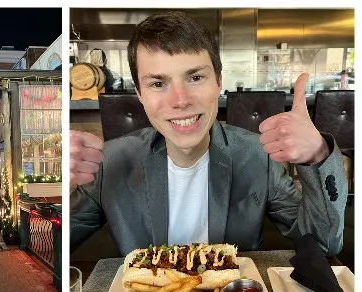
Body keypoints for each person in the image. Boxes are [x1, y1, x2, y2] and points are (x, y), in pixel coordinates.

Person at [70, 12, 347, 255]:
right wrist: (57, 189)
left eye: (195, 77)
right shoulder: (109, 162)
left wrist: (318, 155)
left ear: (218, 82)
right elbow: (51, 248)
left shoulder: (257, 156)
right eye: (157, 83)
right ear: (140, 94)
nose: (180, 100)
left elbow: (321, 245)